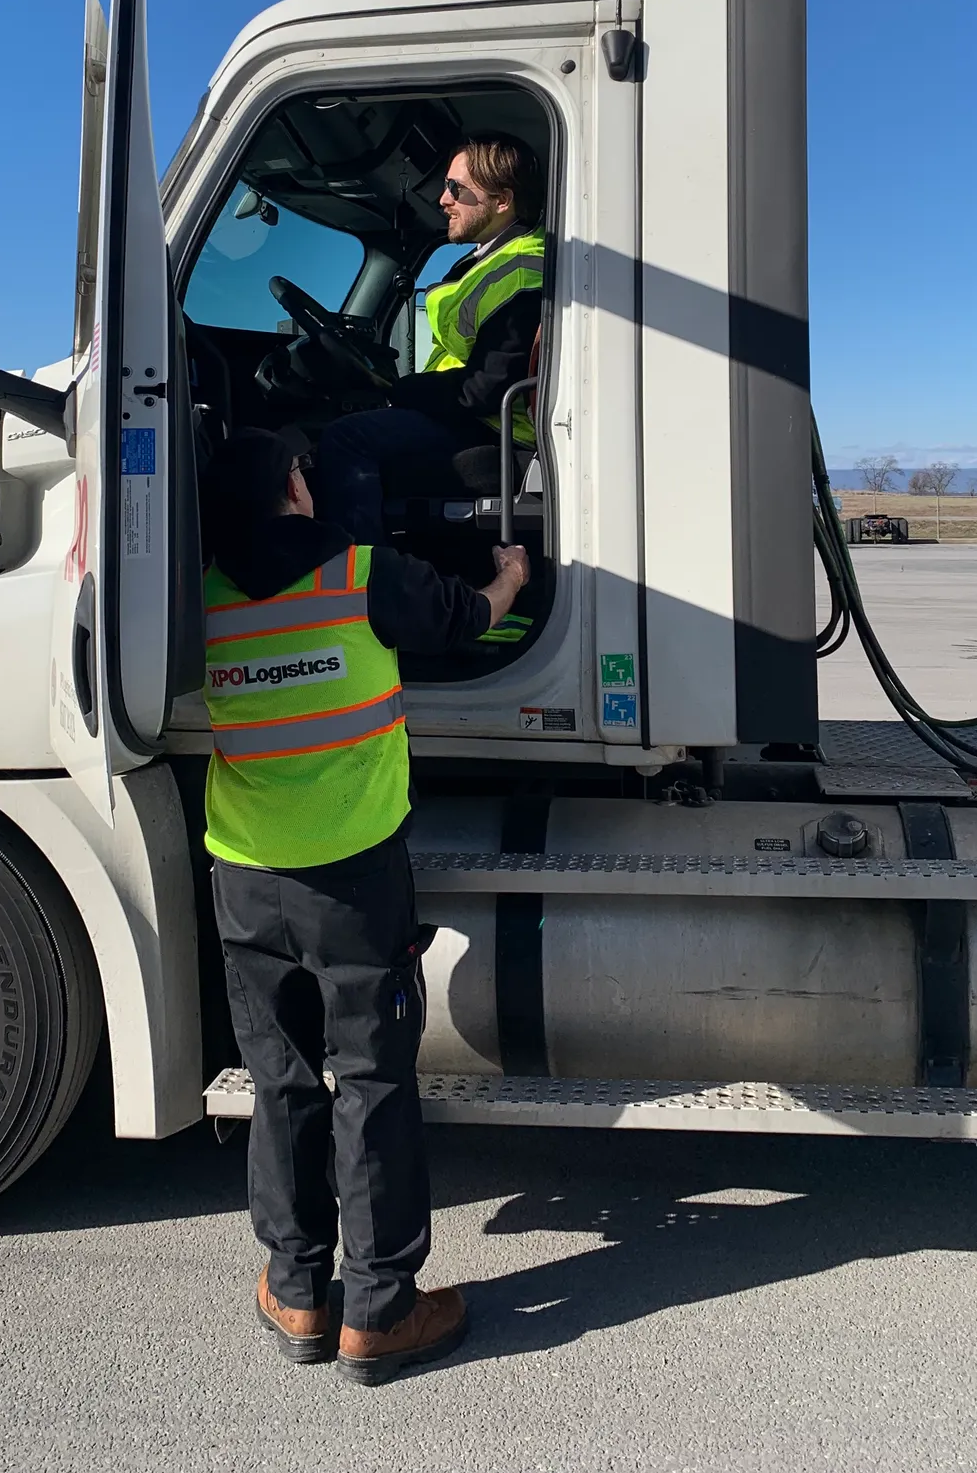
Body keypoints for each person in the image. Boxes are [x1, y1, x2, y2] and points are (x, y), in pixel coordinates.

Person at [202, 425, 530, 1385]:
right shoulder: (359, 574)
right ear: (297, 489)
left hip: (244, 876)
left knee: (284, 1081)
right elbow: (465, 619)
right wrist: (509, 574)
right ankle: (380, 1311)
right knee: (373, 1079)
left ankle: (297, 1289)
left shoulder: (203, 597)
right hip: (351, 875)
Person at [316, 133, 546, 543]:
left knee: (346, 438)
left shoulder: (523, 268)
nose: (443, 200)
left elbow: (484, 389)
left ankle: (363, 588)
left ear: (502, 200)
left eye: (456, 189)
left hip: (497, 431)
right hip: (477, 418)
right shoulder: (494, 260)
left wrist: (406, 390)